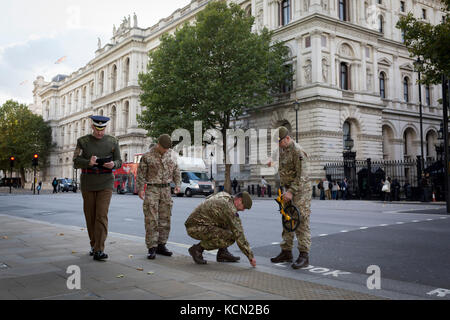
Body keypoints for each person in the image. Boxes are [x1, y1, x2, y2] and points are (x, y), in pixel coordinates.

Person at [73, 115, 122, 261]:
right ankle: (94, 245)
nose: (100, 132)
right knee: (90, 216)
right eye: (97, 129)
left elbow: (119, 160)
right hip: (88, 183)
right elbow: (76, 162)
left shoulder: (113, 141)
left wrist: (114, 164)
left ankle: (99, 249)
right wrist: (89, 162)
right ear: (92, 126)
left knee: (101, 215)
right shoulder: (83, 142)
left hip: (106, 182)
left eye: (103, 129)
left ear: (106, 127)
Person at [269, 126, 312, 270]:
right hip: (287, 190)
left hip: (300, 191)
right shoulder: (283, 150)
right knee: (286, 219)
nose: (278, 145)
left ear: (287, 138)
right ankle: (286, 252)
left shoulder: (298, 152)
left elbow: (302, 176)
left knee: (300, 221)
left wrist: (291, 191)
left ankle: (304, 255)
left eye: (280, 141)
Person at [136, 134, 181, 260]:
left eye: (168, 148)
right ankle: (152, 247)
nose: (166, 150)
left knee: (165, 218)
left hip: (166, 189)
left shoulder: (172, 155)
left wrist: (178, 184)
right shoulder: (147, 156)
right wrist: (140, 189)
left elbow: (176, 171)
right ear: (158, 145)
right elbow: (141, 174)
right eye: (164, 148)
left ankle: (162, 245)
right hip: (152, 189)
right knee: (151, 219)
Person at [185, 191, 256, 267]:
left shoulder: (225, 195)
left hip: (197, 223)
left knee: (228, 225)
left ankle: (222, 253)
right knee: (231, 237)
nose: (243, 210)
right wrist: (250, 257)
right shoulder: (229, 209)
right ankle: (197, 249)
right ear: (239, 200)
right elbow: (239, 234)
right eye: (244, 207)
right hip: (195, 228)